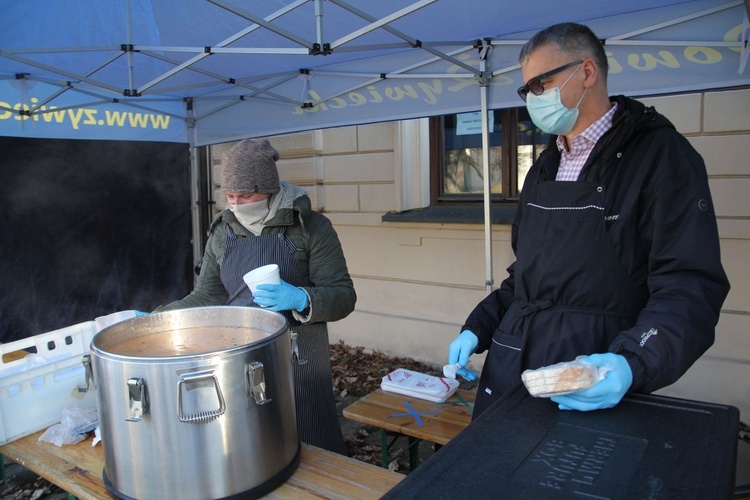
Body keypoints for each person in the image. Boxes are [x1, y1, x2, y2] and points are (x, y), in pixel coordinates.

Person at [448, 22, 729, 418]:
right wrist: (479, 325)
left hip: (589, 377)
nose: (532, 97)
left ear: (587, 72)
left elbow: (690, 285)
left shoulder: (661, 158)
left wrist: (633, 362)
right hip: (512, 369)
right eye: (526, 89)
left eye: (540, 84)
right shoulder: (545, 166)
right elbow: (525, 279)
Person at [155, 138, 356, 454]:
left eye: (246, 195)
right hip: (238, 355)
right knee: (252, 448)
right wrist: (162, 317)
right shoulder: (223, 230)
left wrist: (302, 299)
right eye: (230, 196)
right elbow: (208, 295)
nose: (236, 204)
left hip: (298, 356)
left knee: (312, 443)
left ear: (269, 189)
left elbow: (344, 296)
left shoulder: (311, 228)